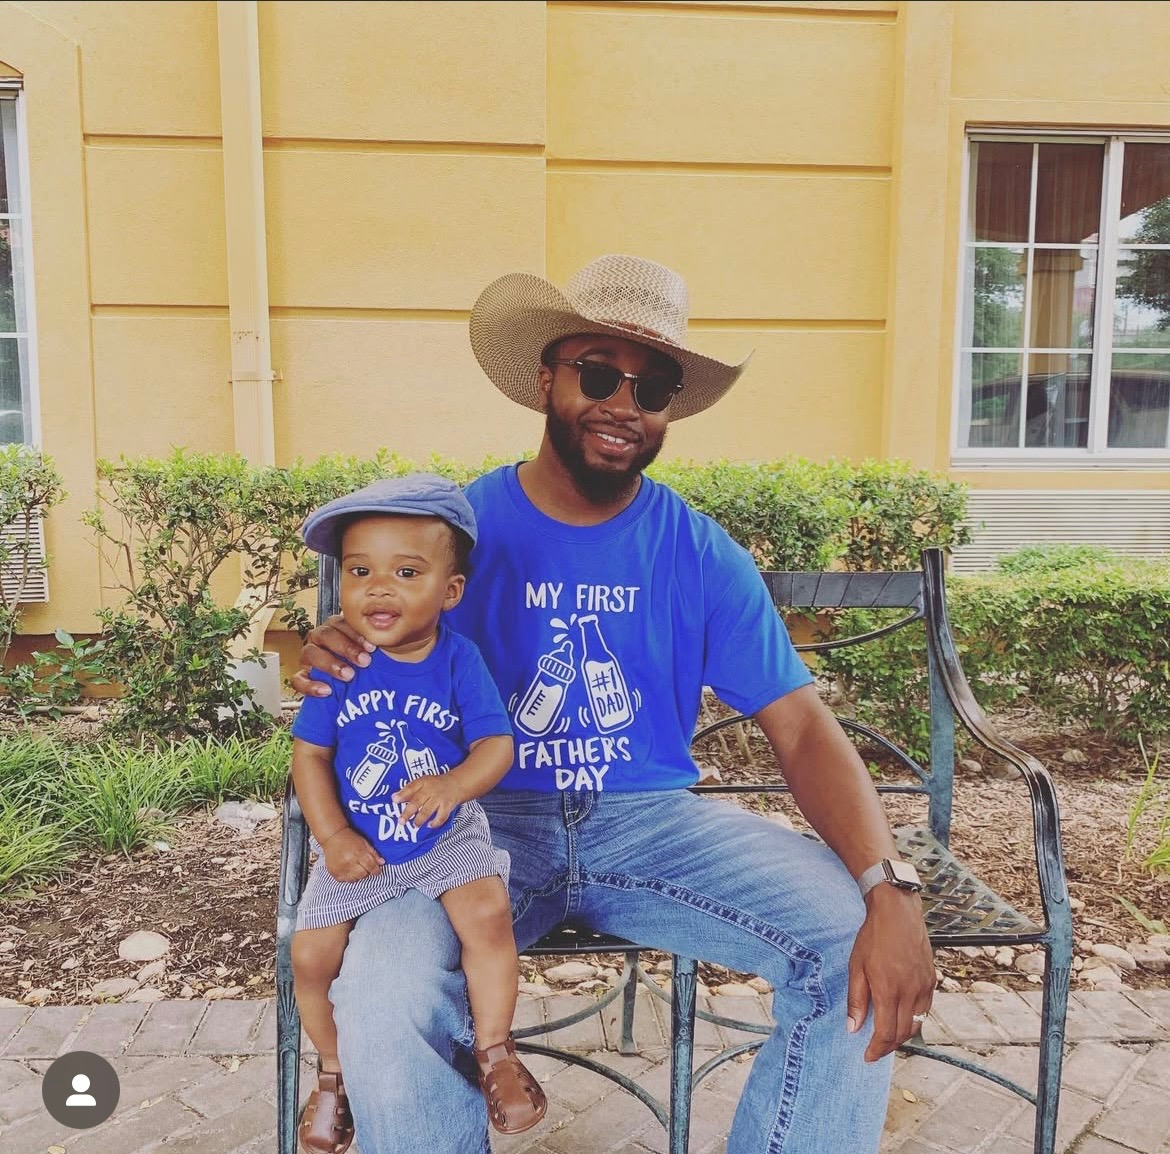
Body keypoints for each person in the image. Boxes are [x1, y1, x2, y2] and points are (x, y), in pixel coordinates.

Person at [293, 254, 935, 1154]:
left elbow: (797, 722)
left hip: (651, 823)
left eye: (653, 386)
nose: (623, 404)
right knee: (383, 986)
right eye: (598, 374)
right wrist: (338, 645)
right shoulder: (451, 538)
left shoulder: (696, 550)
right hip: (477, 824)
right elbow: (365, 646)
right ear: (546, 379)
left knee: (848, 938)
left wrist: (887, 882)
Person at [290, 474, 547, 1154]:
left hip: (442, 836)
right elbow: (308, 755)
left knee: (486, 913)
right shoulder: (339, 665)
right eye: (360, 571)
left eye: (406, 572)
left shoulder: (458, 660)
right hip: (360, 847)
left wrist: (456, 785)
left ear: (450, 590)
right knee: (309, 955)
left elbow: (496, 744)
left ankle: (496, 1052)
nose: (379, 589)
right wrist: (332, 835)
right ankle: (333, 1072)